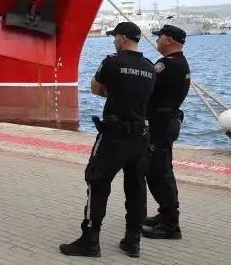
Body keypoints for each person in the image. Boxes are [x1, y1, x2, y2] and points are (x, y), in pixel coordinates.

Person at [60, 21, 156, 258]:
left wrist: (109, 90)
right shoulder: (150, 67)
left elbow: (95, 88)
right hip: (141, 137)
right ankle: (133, 241)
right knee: (136, 188)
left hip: (114, 136)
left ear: (123, 38)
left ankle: (90, 240)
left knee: (97, 182)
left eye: (115, 36)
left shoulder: (112, 61)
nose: (114, 40)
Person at [142, 24, 191, 240]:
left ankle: (171, 224)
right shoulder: (181, 63)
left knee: (158, 172)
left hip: (160, 125)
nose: (157, 40)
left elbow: (145, 84)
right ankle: (165, 214)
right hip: (167, 121)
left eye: (160, 37)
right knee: (161, 169)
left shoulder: (166, 65)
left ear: (169, 40)